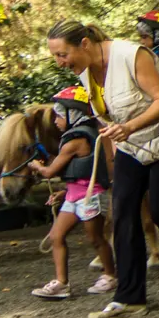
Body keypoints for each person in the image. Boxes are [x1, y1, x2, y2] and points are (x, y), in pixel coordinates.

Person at [47, 21, 159, 318]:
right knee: (124, 212)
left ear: (85, 44)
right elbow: (108, 120)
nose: (60, 62)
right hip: (130, 147)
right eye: (56, 57)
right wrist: (115, 163)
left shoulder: (131, 55)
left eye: (63, 54)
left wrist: (129, 127)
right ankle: (129, 297)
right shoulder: (86, 72)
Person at [28, 86, 117, 300]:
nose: (56, 121)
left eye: (59, 116)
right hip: (73, 196)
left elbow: (50, 171)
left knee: (95, 238)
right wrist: (62, 193)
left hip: (91, 196)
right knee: (56, 236)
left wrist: (36, 167)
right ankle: (61, 282)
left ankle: (110, 275)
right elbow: (78, 172)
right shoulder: (72, 136)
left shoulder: (77, 139)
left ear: (72, 113)